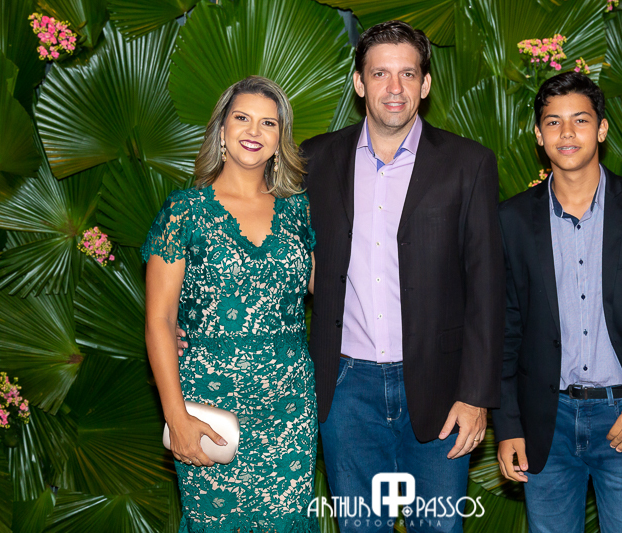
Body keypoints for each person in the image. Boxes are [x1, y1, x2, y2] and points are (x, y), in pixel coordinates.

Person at [300, 20, 505, 533]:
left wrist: (476, 395)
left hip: (442, 387)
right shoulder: (314, 159)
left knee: (439, 527)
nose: (395, 87)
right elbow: (275, 252)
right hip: (346, 388)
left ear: (426, 84)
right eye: (380, 73)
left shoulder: (469, 163)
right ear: (359, 82)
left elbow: (487, 289)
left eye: (408, 74)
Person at [494, 72, 622, 533]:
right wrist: (508, 424)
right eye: (553, 122)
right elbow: (505, 329)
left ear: (602, 129)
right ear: (539, 135)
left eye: (581, 120)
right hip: (545, 424)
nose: (567, 133)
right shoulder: (511, 220)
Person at [143, 76, 319, 533]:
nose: (254, 131)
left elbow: (334, 290)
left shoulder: (298, 211)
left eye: (268, 123)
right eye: (242, 118)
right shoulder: (184, 212)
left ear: (280, 139)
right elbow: (160, 319)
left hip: (288, 405)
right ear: (222, 129)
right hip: (208, 404)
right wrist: (175, 416)